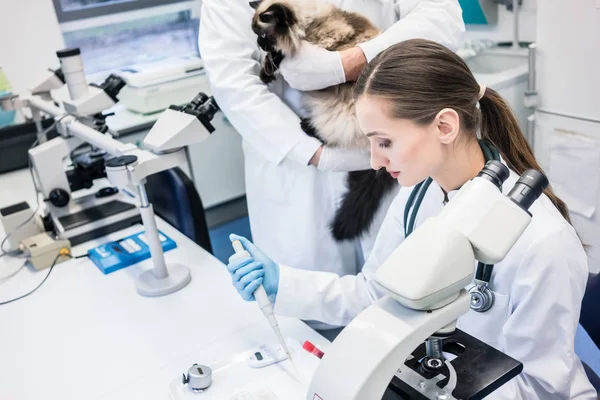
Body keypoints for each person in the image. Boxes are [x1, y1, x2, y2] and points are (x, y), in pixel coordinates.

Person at [225, 39, 598, 399]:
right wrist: (284, 284)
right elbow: (377, 295)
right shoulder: (416, 195)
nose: (373, 161)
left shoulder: (544, 241)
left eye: (385, 142)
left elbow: (540, 389)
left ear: (445, 127)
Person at [198, 1, 466, 302]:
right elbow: (232, 80)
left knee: (408, 295)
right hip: (299, 169)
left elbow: (443, 18)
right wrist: (317, 155)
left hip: (394, 144)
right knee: (310, 310)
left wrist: (354, 61)